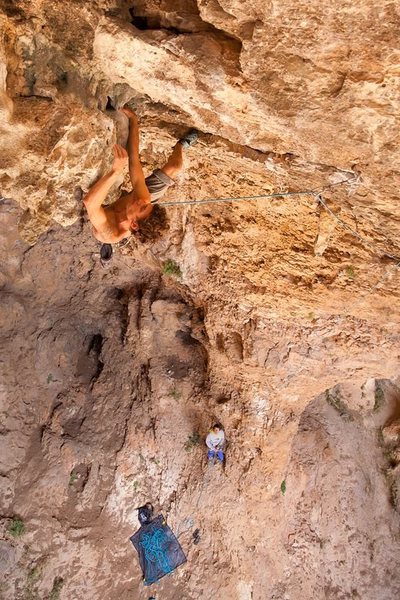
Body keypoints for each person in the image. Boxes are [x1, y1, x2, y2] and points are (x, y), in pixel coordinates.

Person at [83, 106, 198, 246]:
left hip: (104, 214)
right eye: (147, 205)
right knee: (175, 167)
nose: (142, 201)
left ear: (134, 225)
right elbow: (133, 159)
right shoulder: (143, 200)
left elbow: (90, 203)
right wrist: (133, 120)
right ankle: (180, 145)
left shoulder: (111, 232)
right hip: (130, 201)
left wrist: (116, 171)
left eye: (143, 207)